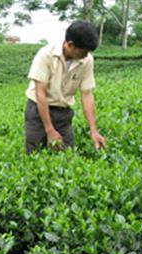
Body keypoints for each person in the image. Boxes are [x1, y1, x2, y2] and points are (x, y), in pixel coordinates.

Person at [24, 20, 107, 154]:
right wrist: (49, 130)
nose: (85, 56)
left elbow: (87, 94)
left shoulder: (86, 60)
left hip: (63, 112)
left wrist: (94, 131)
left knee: (67, 153)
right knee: (35, 153)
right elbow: (41, 93)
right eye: (83, 52)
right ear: (70, 44)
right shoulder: (46, 55)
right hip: (38, 111)